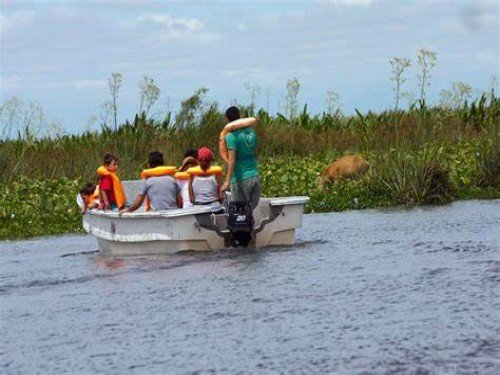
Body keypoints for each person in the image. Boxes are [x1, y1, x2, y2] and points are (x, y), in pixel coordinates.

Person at [221, 106, 260, 210]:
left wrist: (226, 181)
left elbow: (232, 160)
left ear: (227, 119)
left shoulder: (231, 136)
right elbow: (255, 154)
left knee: (240, 212)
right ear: (240, 116)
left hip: (240, 179)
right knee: (249, 211)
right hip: (254, 176)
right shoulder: (252, 132)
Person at [187, 147, 223, 212]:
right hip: (215, 208)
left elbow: (191, 199)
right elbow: (221, 197)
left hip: (198, 208)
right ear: (210, 161)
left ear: (197, 160)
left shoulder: (192, 175)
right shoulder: (216, 174)